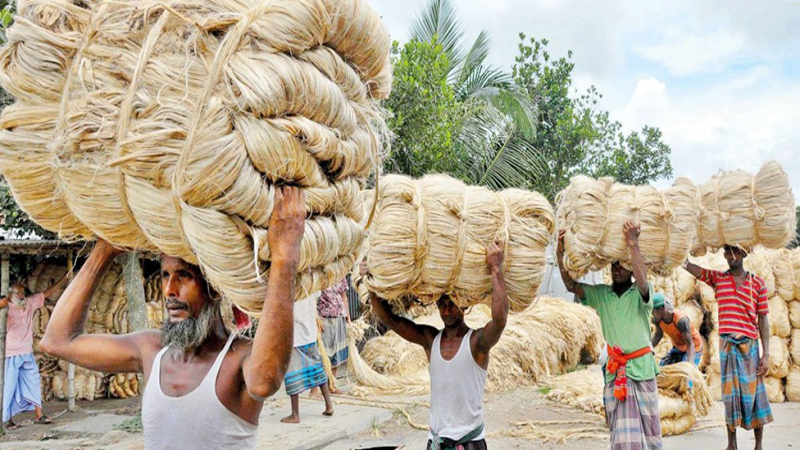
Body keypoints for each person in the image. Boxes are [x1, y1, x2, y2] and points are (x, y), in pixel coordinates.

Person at [41, 186, 306, 449]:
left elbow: (264, 382)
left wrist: (284, 258)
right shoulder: (150, 350)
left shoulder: (239, 358)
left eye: (184, 276)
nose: (169, 290)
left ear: (214, 286)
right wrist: (105, 249)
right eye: (165, 275)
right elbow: (57, 341)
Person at [365, 239, 508, 450]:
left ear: (464, 306)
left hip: (469, 443)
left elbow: (500, 320)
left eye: (452, 305)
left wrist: (496, 268)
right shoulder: (430, 340)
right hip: (436, 442)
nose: (447, 311)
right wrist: (371, 281)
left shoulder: (477, 343)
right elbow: (391, 320)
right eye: (442, 305)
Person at [556, 221, 662, 450]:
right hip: (616, 373)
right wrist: (560, 251)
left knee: (651, 433)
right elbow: (570, 285)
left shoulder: (641, 293)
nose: (618, 269)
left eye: (623, 265)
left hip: (642, 369)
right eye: (614, 265)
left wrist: (633, 244)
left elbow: (643, 282)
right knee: (623, 437)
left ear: (631, 268)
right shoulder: (601, 295)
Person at [683, 245, 772, 450]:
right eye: (727, 252)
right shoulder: (719, 279)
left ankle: (758, 445)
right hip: (727, 346)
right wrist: (682, 261)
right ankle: (732, 444)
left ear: (744, 254)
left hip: (749, 346)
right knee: (730, 396)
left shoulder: (757, 283)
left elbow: (763, 320)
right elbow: (699, 272)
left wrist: (765, 354)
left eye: (736, 252)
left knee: (755, 395)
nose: (731, 256)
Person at [1, 274, 69, 429]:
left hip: (27, 352)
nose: (23, 296)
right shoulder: (7, 308)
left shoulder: (29, 304)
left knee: (34, 382)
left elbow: (47, 293)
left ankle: (39, 415)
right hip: (11, 354)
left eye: (23, 293)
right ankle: (6, 420)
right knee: (9, 386)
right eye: (19, 293)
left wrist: (64, 278)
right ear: (11, 295)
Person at [280, 291, 334, 424]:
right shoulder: (311, 288)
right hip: (310, 334)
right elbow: (318, 293)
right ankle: (329, 405)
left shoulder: (291, 291)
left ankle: (295, 414)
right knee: (318, 369)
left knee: (292, 374)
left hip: (295, 336)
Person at [315, 277, 350, 394]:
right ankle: (316, 388)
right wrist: (316, 317)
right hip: (324, 318)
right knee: (323, 354)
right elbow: (313, 299)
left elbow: (344, 297)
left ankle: (332, 385)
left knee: (337, 353)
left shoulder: (341, 276)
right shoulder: (321, 275)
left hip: (339, 317)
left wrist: (348, 318)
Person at [651, 293, 703, 367]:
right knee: (662, 370)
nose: (651, 313)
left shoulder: (681, 321)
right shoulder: (657, 319)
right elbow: (658, 335)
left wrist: (690, 365)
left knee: (686, 376)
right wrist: (648, 348)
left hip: (693, 348)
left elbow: (689, 344)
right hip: (678, 347)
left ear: (661, 309)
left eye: (653, 311)